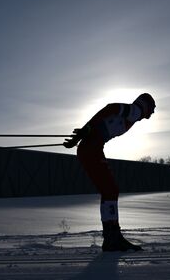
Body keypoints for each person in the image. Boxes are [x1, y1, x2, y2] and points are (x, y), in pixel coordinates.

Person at [63, 93, 156, 252]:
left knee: (110, 191)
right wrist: (87, 128)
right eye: (152, 109)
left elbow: (106, 118)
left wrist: (83, 132)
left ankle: (112, 237)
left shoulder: (133, 115)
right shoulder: (136, 111)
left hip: (92, 147)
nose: (152, 113)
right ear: (146, 105)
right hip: (91, 148)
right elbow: (111, 108)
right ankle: (112, 238)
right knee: (110, 190)